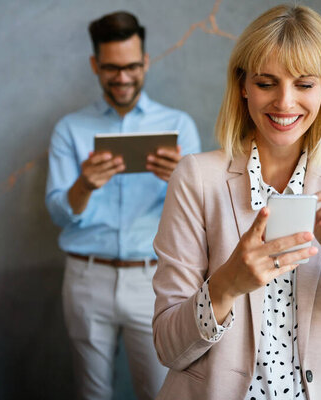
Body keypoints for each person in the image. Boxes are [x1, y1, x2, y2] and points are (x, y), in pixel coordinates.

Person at [152, 5, 321, 400]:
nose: (285, 103)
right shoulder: (197, 179)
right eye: (267, 83)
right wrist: (225, 285)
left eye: (304, 84)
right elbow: (168, 348)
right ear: (243, 85)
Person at [45, 11, 201, 400]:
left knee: (161, 391)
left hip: (153, 281)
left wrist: (182, 179)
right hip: (85, 279)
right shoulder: (69, 129)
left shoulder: (179, 125)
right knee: (90, 393)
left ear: (145, 62)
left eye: (132, 66)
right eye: (111, 67)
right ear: (95, 65)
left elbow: (201, 219)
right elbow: (58, 214)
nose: (123, 77)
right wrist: (84, 184)